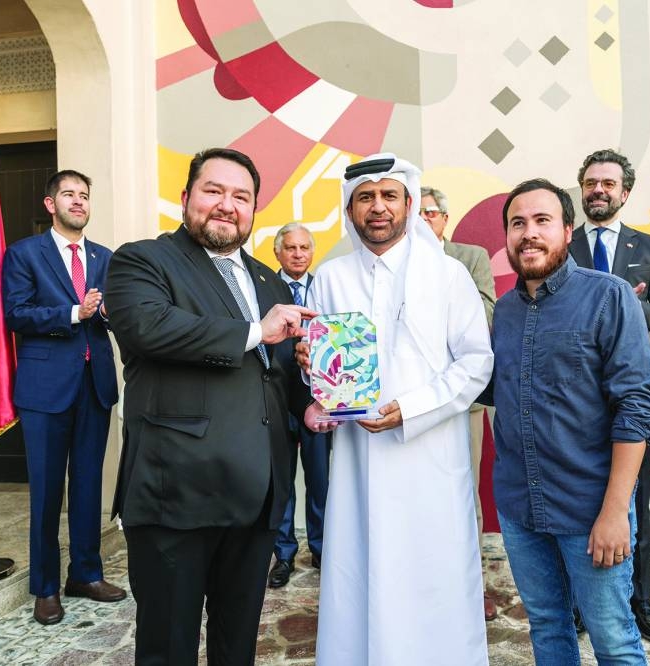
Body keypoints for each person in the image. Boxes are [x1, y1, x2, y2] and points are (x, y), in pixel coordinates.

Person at [104, 148, 314, 665]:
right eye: (213, 191)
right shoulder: (142, 260)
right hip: (176, 494)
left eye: (241, 196)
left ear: (254, 209)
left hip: (257, 494)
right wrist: (256, 331)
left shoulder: (266, 280)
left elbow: (274, 373)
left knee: (236, 646)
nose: (227, 205)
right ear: (185, 198)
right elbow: (149, 327)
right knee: (168, 648)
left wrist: (312, 401)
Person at [303, 153, 494, 665]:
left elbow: (477, 363)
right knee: (358, 574)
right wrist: (310, 365)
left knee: (433, 576)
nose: (378, 207)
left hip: (430, 460)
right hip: (358, 464)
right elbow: (323, 374)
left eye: (390, 195)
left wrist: (409, 409)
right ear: (350, 209)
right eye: (365, 197)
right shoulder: (330, 278)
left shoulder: (449, 275)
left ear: (409, 204)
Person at [489, 178, 650, 664]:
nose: (529, 233)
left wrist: (615, 513)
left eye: (542, 221)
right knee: (547, 625)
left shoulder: (609, 297)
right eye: (517, 223)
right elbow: (482, 386)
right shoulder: (504, 311)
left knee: (613, 638)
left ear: (567, 230)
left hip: (589, 508)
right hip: (521, 507)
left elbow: (639, 408)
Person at [568, 149, 650, 642]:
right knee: (574, 502)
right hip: (572, 398)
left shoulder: (649, 247)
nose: (598, 190)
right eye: (591, 183)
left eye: (608, 183)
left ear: (625, 192)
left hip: (631, 397)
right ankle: (578, 603)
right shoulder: (562, 241)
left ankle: (639, 600)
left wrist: (628, 302)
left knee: (635, 500)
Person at [1, 169, 124, 625]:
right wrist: (74, 312)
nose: (78, 201)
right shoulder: (23, 254)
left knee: (89, 485)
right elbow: (16, 313)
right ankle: (46, 587)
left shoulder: (104, 257)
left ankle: (86, 575)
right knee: (48, 492)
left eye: (84, 195)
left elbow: (112, 315)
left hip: (95, 385)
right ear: (50, 204)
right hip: (45, 389)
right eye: (69, 194)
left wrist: (108, 313)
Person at [419, 186, 500, 620]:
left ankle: (470, 585)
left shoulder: (469, 258)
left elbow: (485, 317)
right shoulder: (392, 264)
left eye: (431, 213)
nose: (424, 220)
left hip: (461, 400)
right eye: (418, 213)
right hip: (405, 403)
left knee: (463, 492)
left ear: (444, 219)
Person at [267, 222, 332, 588]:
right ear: (277, 252)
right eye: (290, 247)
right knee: (282, 483)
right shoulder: (264, 289)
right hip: (276, 400)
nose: (297, 254)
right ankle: (284, 554)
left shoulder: (325, 289)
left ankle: (322, 549)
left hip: (317, 402)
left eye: (304, 247)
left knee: (320, 480)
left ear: (312, 252)